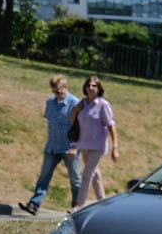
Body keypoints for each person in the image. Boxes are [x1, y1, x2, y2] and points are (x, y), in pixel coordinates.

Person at [19, 75, 81, 215]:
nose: (57, 94)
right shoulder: (50, 103)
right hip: (52, 147)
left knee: (75, 179)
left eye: (59, 91)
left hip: (69, 148)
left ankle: (77, 208)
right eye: (54, 91)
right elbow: (50, 121)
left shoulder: (75, 103)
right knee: (44, 176)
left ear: (66, 88)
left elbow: (81, 127)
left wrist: (75, 147)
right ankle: (34, 204)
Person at [72, 75, 119, 209]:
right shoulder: (83, 103)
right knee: (95, 176)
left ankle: (78, 205)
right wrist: (75, 111)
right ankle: (103, 204)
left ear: (99, 89)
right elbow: (74, 120)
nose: (91, 88)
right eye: (88, 85)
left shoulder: (103, 105)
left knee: (87, 174)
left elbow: (111, 126)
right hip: (84, 144)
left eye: (94, 86)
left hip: (97, 146)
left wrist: (115, 147)